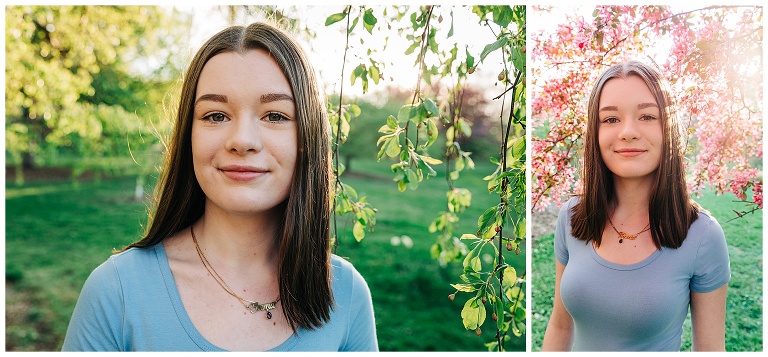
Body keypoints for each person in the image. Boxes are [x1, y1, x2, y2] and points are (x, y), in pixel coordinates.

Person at [62, 22, 378, 351]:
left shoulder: (347, 294)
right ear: (189, 135)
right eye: (215, 115)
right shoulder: (117, 292)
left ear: (308, 138)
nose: (242, 140)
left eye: (274, 115)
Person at [541, 61, 730, 351]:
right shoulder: (572, 217)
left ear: (668, 129)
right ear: (595, 132)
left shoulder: (702, 235)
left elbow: (710, 349)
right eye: (611, 119)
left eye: (647, 116)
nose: (628, 132)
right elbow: (560, 325)